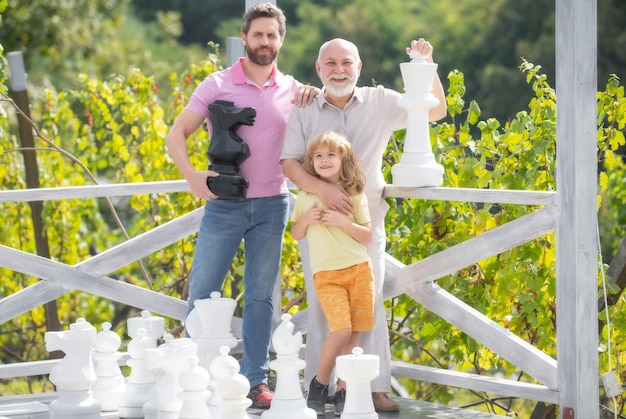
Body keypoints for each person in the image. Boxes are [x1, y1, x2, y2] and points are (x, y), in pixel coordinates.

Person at [281, 37, 447, 412]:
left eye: (346, 62)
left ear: (360, 67)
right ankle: (321, 386)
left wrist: (428, 67)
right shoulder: (304, 107)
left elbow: (434, 111)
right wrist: (324, 191)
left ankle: (369, 388)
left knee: (367, 307)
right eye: (330, 63)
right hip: (320, 226)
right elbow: (290, 163)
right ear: (318, 68)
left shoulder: (382, 101)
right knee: (326, 307)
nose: (339, 69)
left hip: (365, 224)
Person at [165, 3, 317, 409]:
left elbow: (326, 128)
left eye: (272, 35)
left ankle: (254, 380)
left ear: (281, 40)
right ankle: (194, 376)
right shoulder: (217, 83)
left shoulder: (294, 90)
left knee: (261, 297)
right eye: (258, 34)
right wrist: (191, 176)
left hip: (273, 204)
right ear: (245, 38)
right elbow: (176, 134)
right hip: (225, 204)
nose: (264, 42)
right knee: (203, 291)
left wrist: (317, 96)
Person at [290, 131, 375, 416]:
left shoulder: (354, 193)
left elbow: (366, 235)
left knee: (355, 336)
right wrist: (304, 219)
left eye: (331, 155)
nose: (324, 160)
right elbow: (295, 233)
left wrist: (341, 221)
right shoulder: (306, 196)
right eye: (318, 156)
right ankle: (319, 383)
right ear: (310, 162)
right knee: (341, 330)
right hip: (327, 274)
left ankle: (343, 388)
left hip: (359, 270)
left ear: (343, 160)